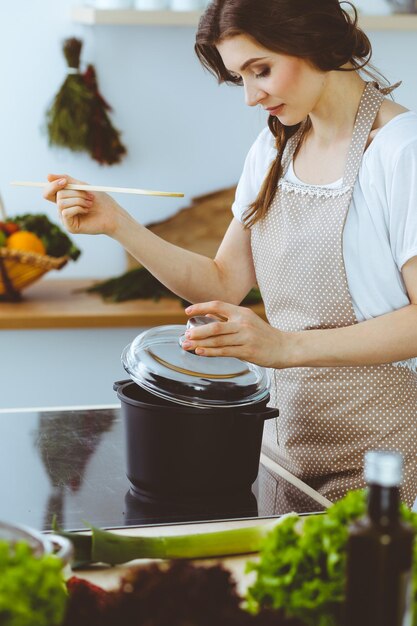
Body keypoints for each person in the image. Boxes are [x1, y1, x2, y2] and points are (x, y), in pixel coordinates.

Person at [43, 0, 417, 508]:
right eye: (240, 76)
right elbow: (221, 282)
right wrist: (117, 224)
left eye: (260, 70)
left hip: (386, 456)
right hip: (285, 445)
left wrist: (284, 347)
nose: (249, 96)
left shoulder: (402, 151)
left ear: (313, 39)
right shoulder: (273, 149)